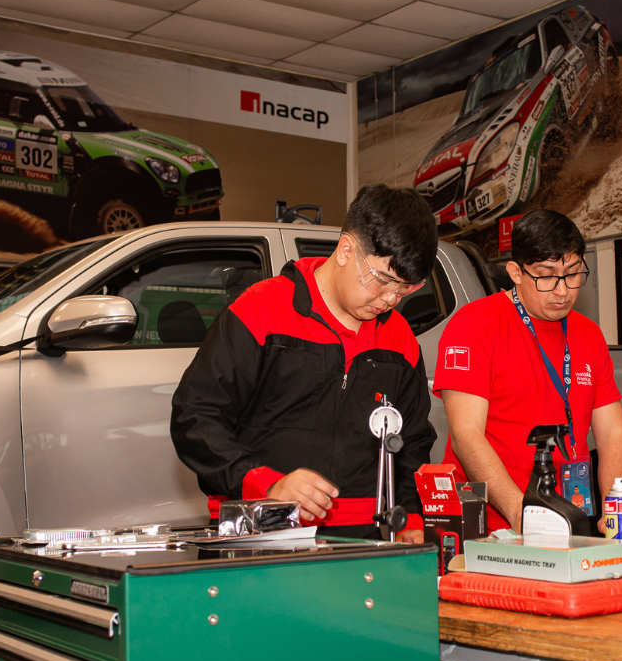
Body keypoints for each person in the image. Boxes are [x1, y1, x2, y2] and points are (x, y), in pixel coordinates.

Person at [171, 184, 439, 542]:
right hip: (261, 530)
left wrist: (411, 516)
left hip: (365, 540)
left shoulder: (399, 339)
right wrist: (264, 483)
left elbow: (413, 441)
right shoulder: (262, 310)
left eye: (406, 288)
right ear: (346, 250)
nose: (391, 298)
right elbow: (195, 416)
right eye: (383, 280)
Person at [433, 209, 622, 533]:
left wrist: (616, 509)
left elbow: (613, 433)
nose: (562, 290)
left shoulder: (589, 334)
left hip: (565, 517)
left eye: (572, 273)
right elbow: (466, 436)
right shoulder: (475, 325)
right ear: (516, 272)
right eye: (546, 276)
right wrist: (520, 513)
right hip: (490, 527)